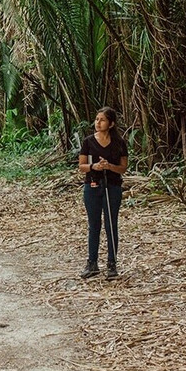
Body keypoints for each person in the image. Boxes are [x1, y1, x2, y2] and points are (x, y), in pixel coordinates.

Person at [77, 106, 128, 280]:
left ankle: (112, 264)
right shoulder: (89, 141)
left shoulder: (119, 143)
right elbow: (81, 166)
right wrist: (94, 167)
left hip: (112, 186)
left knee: (111, 224)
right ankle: (92, 263)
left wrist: (109, 167)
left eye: (102, 120)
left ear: (111, 123)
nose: (98, 123)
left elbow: (123, 168)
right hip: (92, 186)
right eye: (97, 119)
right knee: (94, 225)